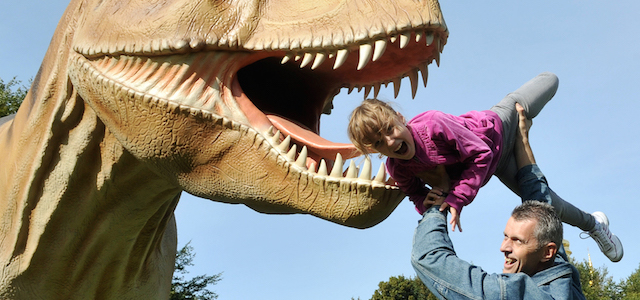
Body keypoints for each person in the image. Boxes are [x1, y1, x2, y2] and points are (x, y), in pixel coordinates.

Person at [347, 72, 623, 262]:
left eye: (389, 129)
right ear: (373, 150)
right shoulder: (399, 169)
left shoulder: (433, 124)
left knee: (550, 80)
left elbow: (480, 152)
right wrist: (428, 201)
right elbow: (417, 196)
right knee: (546, 206)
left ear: (400, 118)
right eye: (378, 142)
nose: (390, 141)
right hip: (496, 164)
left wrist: (458, 198)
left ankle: (520, 130)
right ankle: (595, 224)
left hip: (498, 125)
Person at [410, 105, 587, 299]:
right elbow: (540, 200)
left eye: (517, 241)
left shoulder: (517, 295)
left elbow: (429, 259)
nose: (504, 247)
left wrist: (438, 202)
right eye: (506, 237)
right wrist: (522, 141)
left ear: (548, 252)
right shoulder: (558, 272)